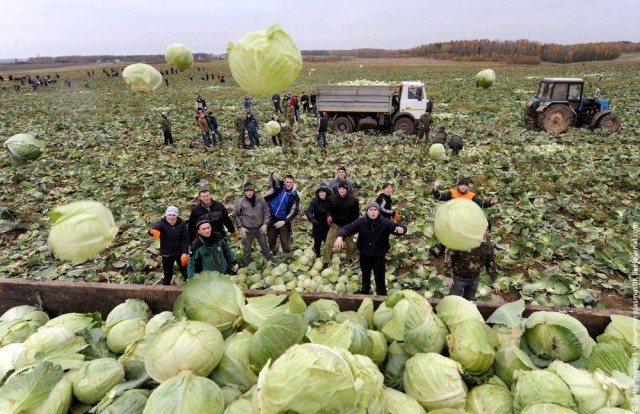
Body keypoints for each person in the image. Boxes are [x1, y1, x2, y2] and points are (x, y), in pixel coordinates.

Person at [334, 201, 407, 295]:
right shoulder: (361, 222)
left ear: (378, 212)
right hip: (365, 255)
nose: (373, 212)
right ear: (367, 211)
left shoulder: (384, 222)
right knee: (365, 275)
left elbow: (397, 227)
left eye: (375, 210)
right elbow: (347, 228)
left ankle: (381, 295)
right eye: (371, 210)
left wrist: (402, 229)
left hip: (379, 256)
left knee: (379, 278)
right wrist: (340, 236)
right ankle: (365, 291)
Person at [444, 223, 499, 300]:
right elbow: (449, 257)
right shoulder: (463, 240)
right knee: (452, 300)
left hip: (474, 279)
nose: (483, 231)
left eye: (486, 229)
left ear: (488, 231)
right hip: (458, 278)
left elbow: (491, 263)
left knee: (469, 302)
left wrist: (495, 281)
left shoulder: (488, 245)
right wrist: (448, 276)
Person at [233, 183, 273, 266]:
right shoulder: (240, 202)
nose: (249, 193)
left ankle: (269, 258)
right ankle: (246, 263)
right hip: (247, 229)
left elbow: (267, 212)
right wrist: (241, 227)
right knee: (247, 247)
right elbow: (236, 215)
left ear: (253, 191)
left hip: (260, 227)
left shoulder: (260, 199)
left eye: (250, 190)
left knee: (264, 244)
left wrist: (265, 224)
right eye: (247, 191)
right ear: (244, 192)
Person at [149, 206, 189, 285]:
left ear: (177, 216)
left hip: (180, 253)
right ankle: (165, 291)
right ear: (166, 215)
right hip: (167, 254)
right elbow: (155, 228)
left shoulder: (182, 225)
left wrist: (185, 253)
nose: (171, 217)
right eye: (169, 215)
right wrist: (152, 231)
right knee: (167, 276)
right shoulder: (162, 223)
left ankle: (191, 286)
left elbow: (185, 239)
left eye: (173, 215)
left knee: (186, 272)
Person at [323, 181, 360, 267]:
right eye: (340, 188)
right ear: (338, 189)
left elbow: (356, 215)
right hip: (336, 224)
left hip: (348, 225)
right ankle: (326, 261)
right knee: (328, 242)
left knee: (350, 244)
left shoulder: (353, 200)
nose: (341, 190)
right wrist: (328, 215)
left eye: (343, 189)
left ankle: (349, 258)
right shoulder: (332, 198)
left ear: (346, 189)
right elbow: (328, 209)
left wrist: (354, 228)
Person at [265, 174, 300, 257]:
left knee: (285, 240)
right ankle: (274, 250)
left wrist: (284, 221)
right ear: (284, 182)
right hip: (272, 217)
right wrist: (273, 174)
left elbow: (294, 211)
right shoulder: (279, 187)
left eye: (290, 182)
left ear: (293, 183)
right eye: (287, 182)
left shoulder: (294, 196)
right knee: (271, 238)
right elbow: (271, 181)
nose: (288, 184)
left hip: (283, 220)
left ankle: (287, 255)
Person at [433, 177, 497, 208]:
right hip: (452, 215)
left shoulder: (471, 196)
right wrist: (435, 189)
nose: (463, 187)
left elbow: (481, 204)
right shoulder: (452, 193)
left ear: (467, 187)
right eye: (461, 185)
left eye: (465, 186)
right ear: (458, 186)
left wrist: (490, 202)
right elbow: (439, 197)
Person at [306, 183, 333, 257]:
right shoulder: (315, 201)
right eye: (320, 192)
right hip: (317, 224)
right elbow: (309, 211)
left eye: (323, 192)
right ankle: (317, 254)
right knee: (317, 241)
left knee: (327, 242)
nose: (321, 194)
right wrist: (312, 219)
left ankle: (328, 257)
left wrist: (330, 215)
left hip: (328, 225)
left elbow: (334, 210)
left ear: (326, 193)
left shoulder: (330, 200)